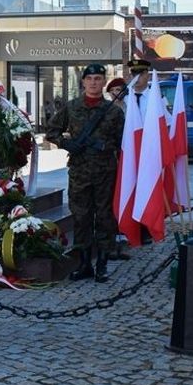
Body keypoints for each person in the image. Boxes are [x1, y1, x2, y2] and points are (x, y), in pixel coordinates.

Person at [45, 63, 125, 283]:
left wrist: (106, 147)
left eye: (98, 79)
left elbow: (123, 143)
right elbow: (51, 132)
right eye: (90, 79)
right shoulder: (71, 108)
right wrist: (67, 144)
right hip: (80, 172)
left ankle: (102, 263)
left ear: (103, 82)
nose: (94, 83)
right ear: (83, 82)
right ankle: (84, 264)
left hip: (105, 172)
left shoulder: (114, 112)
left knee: (105, 217)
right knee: (81, 217)